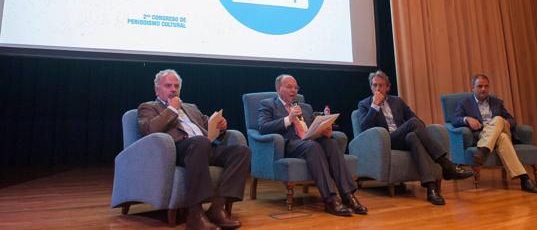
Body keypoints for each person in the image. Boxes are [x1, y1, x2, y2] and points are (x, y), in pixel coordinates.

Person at [138, 69, 251, 230]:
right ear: (157, 89)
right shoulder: (149, 107)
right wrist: (172, 109)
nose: (173, 89)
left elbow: (208, 125)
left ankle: (217, 208)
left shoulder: (190, 107)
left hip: (204, 147)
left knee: (242, 151)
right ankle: (195, 214)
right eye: (168, 86)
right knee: (200, 142)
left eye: (176, 86)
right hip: (178, 150)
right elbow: (150, 129)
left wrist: (221, 126)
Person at [356, 70, 473, 205]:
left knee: (413, 136)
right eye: (374, 85)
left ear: (387, 87)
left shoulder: (397, 102)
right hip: (385, 141)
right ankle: (446, 164)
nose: (377, 88)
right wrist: (375, 106)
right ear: (371, 87)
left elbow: (418, 121)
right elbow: (364, 128)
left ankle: (431, 189)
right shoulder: (364, 104)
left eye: (381, 85)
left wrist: (413, 127)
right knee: (412, 125)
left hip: (403, 138)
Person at [257, 74, 368, 216]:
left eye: (296, 87)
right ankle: (330, 199)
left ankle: (348, 196)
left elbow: (313, 126)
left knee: (331, 143)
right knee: (313, 147)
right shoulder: (268, 105)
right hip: (290, 144)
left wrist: (325, 129)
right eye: (289, 87)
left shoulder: (305, 107)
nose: (293, 90)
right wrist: (288, 119)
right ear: (278, 88)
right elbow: (263, 127)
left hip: (309, 140)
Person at [452, 74, 537, 193]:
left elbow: (512, 119)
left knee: (498, 119)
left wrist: (507, 122)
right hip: (483, 134)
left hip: (499, 128)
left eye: (486, 86)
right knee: (501, 137)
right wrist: (466, 119)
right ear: (473, 88)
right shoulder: (464, 103)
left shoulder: (497, 102)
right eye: (480, 86)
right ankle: (524, 179)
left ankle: (483, 151)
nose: (483, 89)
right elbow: (454, 120)